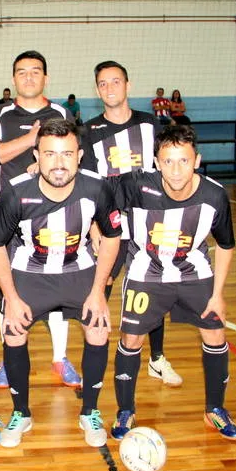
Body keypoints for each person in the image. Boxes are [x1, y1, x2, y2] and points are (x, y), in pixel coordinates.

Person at [0, 119, 121, 448]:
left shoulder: (97, 187)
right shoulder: (16, 192)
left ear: (79, 155)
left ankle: (89, 412)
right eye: (49, 154)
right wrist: (12, 298)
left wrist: (98, 292)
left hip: (79, 270)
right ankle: (22, 413)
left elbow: (113, 238)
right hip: (31, 272)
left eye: (66, 154)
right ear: (37, 155)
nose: (58, 163)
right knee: (14, 331)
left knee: (99, 327)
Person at [109, 125, 236, 442]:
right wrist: (101, 235)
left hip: (194, 272)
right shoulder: (136, 185)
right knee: (131, 339)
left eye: (183, 160)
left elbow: (225, 245)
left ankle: (215, 410)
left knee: (214, 332)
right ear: (156, 162)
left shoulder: (213, 195)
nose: (176, 169)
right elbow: (99, 199)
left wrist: (219, 294)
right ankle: (125, 409)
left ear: (197, 160)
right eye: (167, 161)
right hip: (146, 272)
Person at [0, 50, 79, 388]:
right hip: (11, 216)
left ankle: (60, 359)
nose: (29, 77)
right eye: (22, 72)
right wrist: (29, 141)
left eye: (36, 72)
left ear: (46, 78)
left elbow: (77, 155)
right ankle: (9, 358)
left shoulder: (61, 112)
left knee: (58, 288)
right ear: (14, 79)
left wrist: (47, 166)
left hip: (55, 214)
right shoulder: (0, 112)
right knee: (10, 292)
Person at [81, 61, 182, 388]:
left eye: (115, 82)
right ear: (97, 90)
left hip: (149, 225)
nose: (110, 88)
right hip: (109, 227)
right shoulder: (89, 131)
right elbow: (86, 183)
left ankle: (156, 359)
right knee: (98, 292)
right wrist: (94, 228)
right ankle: (92, 371)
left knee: (153, 289)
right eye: (103, 84)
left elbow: (169, 167)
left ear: (128, 84)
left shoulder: (152, 125)